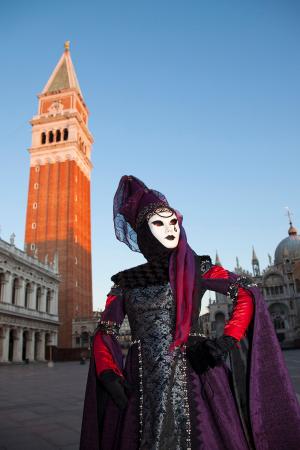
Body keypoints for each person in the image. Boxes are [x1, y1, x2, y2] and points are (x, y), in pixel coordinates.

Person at [80, 175, 300, 450]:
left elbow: (246, 291)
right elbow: (106, 331)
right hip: (141, 381)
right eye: (158, 223)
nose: (170, 229)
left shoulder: (196, 268)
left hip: (196, 374)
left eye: (173, 221)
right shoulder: (125, 283)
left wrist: (226, 340)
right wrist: (108, 371)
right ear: (144, 232)